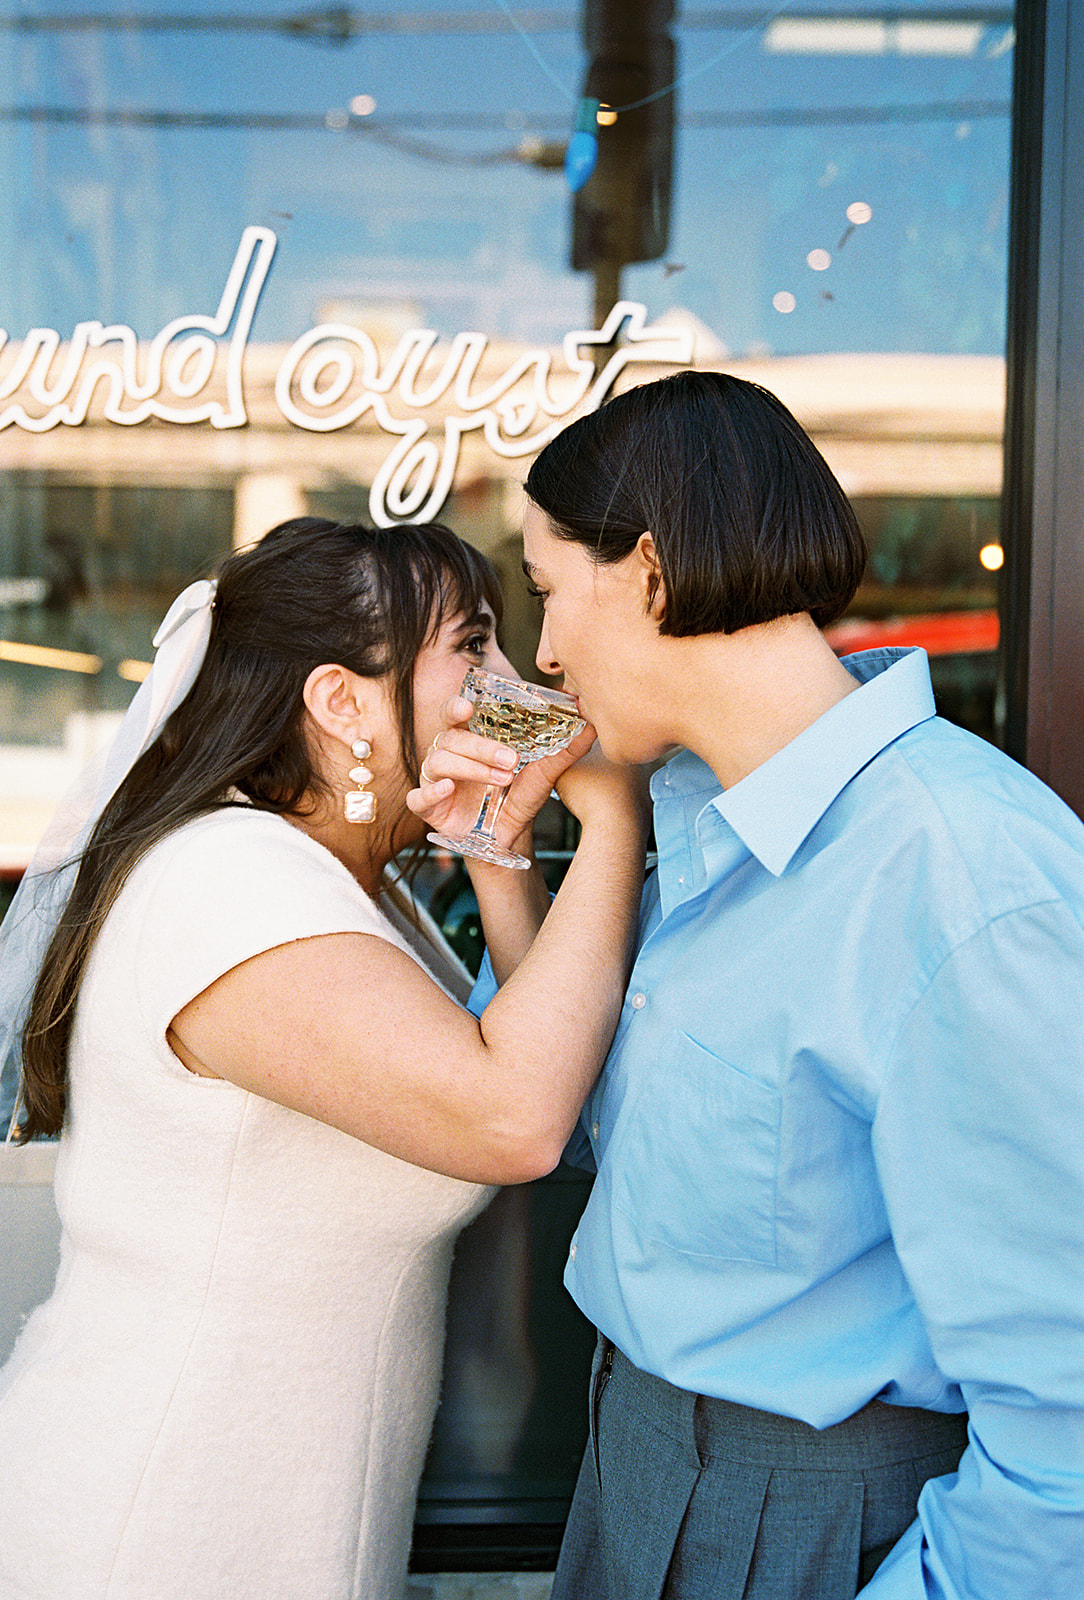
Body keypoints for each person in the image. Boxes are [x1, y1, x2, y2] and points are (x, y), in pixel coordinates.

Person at [416, 371, 1084, 1599]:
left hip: (823, 1518)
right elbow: (592, 1128)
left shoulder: (964, 873)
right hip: (640, 1474)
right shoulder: (705, 822)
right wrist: (502, 858)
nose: (546, 650)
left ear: (653, 573)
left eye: (552, 592)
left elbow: (1067, 1422)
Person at [0, 516, 647, 1600]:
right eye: (474, 644)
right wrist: (613, 817)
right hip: (153, 1530)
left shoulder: (345, 881)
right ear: (344, 702)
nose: (517, 675)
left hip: (262, 1525)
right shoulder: (232, 881)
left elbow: (549, 1072)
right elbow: (512, 1118)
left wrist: (496, 855)